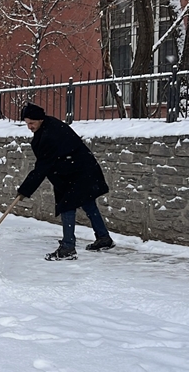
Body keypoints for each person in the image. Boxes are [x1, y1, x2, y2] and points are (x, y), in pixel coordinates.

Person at [16, 103, 115, 261]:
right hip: (75, 170)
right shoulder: (48, 126)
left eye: (31, 123)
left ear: (40, 119)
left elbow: (43, 166)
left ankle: (68, 248)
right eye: (27, 123)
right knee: (88, 203)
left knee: (66, 205)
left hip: (76, 172)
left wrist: (25, 190)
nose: (29, 126)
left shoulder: (50, 134)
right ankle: (103, 238)